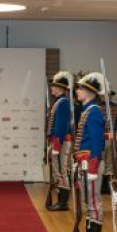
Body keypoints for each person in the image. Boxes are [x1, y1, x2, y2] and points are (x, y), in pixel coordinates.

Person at [72, 72, 106, 232]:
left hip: (91, 163)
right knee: (88, 201)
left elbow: (96, 141)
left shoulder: (93, 112)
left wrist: (92, 166)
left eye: (80, 88)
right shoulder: (88, 110)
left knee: (93, 201)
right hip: (84, 161)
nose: (77, 91)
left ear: (90, 92)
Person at [46, 71, 73, 211]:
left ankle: (63, 202)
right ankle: (61, 199)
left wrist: (56, 145)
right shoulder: (59, 102)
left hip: (61, 141)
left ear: (60, 88)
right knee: (58, 171)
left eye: (54, 86)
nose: (52, 88)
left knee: (62, 171)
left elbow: (61, 126)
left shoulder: (62, 103)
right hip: (57, 141)